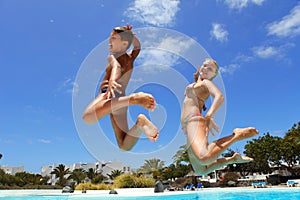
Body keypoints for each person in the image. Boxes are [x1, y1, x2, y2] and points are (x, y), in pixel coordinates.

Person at [82, 25, 159, 151]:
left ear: (124, 44)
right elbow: (137, 46)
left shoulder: (112, 56)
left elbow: (116, 66)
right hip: (121, 100)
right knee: (124, 145)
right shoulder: (131, 58)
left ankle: (135, 99)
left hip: (108, 93)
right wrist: (130, 35)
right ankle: (140, 123)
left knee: (88, 117)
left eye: (113, 38)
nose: (108, 40)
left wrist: (112, 80)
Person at [181, 58, 258, 175]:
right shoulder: (197, 83)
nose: (206, 68)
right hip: (187, 126)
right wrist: (196, 76)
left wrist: (209, 115)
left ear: (214, 75)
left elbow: (219, 97)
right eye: (204, 65)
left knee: (205, 158)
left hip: (194, 120)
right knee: (200, 171)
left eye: (210, 69)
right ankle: (233, 159)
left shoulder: (206, 83)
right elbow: (195, 90)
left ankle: (236, 135)